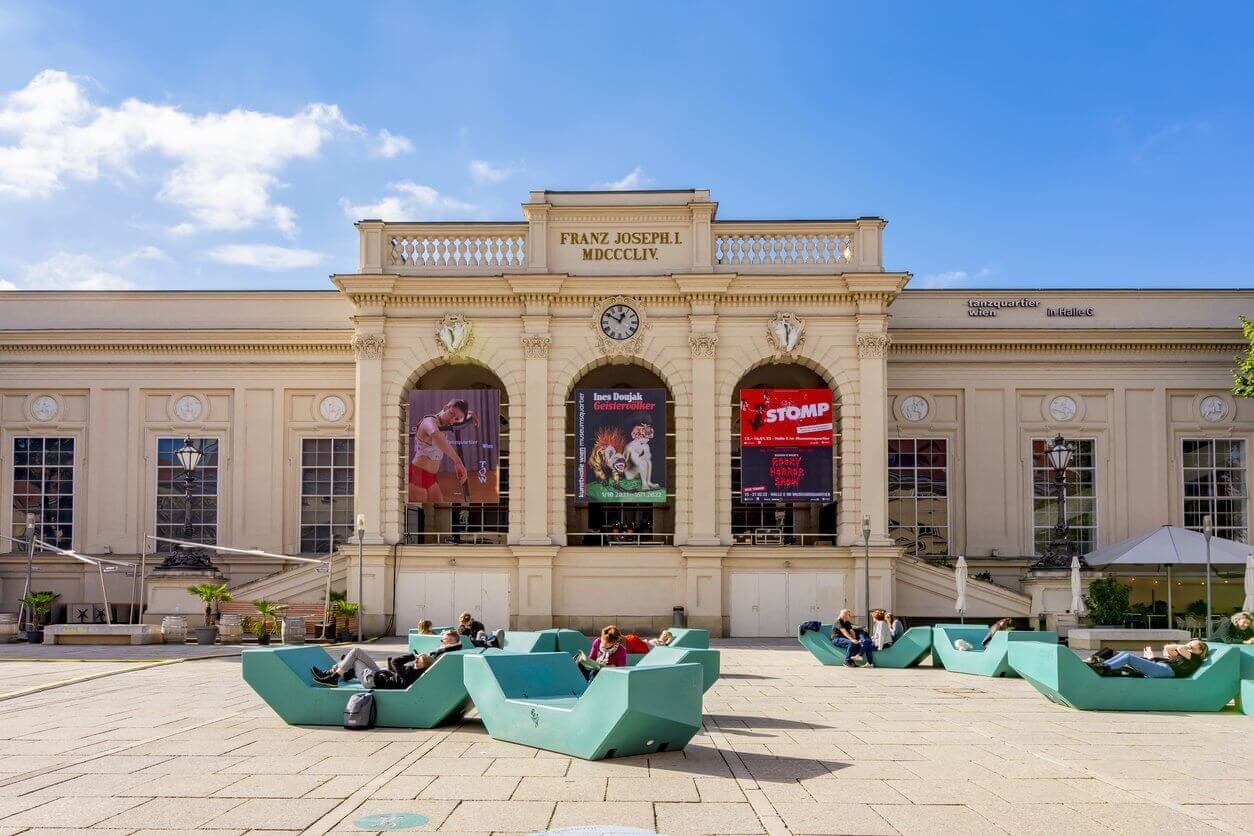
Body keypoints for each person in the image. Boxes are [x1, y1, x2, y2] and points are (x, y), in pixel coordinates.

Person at [311, 630, 462, 689]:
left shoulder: (410, 674)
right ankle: (334, 673)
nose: (440, 641)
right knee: (354, 655)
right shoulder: (415, 671)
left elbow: (396, 662)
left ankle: (334, 676)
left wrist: (412, 657)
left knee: (355, 654)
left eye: (442, 640)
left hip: (372, 680)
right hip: (380, 675)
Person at [409, 398, 477, 503]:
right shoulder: (429, 422)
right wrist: (458, 462)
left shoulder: (445, 423)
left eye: (457, 419)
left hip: (431, 477)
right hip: (417, 474)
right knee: (421, 510)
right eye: (451, 414)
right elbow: (439, 439)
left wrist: (471, 415)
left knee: (439, 504)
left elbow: (459, 415)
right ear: (445, 408)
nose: (452, 420)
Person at [1091, 640, 1209, 679]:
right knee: (1124, 654)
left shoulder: (1195, 659)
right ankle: (1101, 665)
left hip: (1165, 670)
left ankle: (1103, 667)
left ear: (1200, 651)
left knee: (1128, 657)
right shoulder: (1186, 656)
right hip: (1162, 668)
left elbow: (1180, 648)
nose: (1191, 646)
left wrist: (1187, 646)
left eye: (1194, 646)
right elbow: (1167, 648)